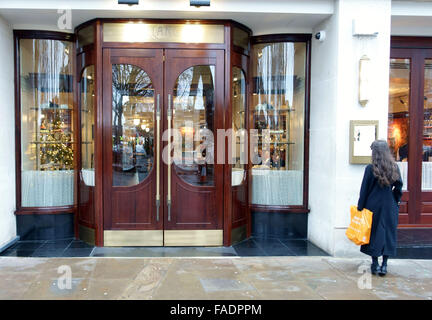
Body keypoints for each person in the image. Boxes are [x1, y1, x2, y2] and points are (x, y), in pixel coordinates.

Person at [357, 140, 403, 277]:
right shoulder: (394, 167)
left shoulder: (370, 168)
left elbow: (364, 190)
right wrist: (396, 201)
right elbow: (399, 187)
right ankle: (385, 265)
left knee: (373, 234)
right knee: (388, 234)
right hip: (389, 205)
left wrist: (360, 206)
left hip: (373, 205)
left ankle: (375, 263)